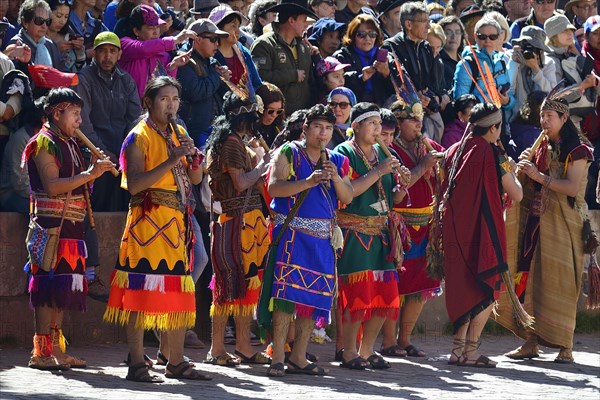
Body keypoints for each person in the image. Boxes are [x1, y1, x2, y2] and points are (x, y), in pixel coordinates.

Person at [104, 76, 206, 382]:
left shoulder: (180, 132)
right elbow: (134, 185)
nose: (171, 105)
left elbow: (196, 180)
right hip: (146, 224)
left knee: (177, 291)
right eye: (164, 99)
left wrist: (194, 159)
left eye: (175, 99)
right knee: (138, 291)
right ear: (148, 102)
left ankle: (174, 360)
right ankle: (136, 362)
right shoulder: (137, 137)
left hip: (176, 224)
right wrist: (172, 159)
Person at [496, 91, 593, 364]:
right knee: (527, 278)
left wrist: (538, 175)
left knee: (560, 282)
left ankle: (566, 347)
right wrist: (522, 172)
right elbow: (531, 184)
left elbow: (572, 188)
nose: (544, 121)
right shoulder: (541, 146)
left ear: (564, 117)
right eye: (541, 116)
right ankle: (530, 341)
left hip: (564, 226)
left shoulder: (578, 150)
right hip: (536, 223)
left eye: (550, 116)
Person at [24, 88, 115, 370]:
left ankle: (58, 351)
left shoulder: (72, 143)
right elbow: (52, 185)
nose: (79, 121)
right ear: (56, 113)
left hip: (72, 228)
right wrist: (89, 173)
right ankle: (40, 353)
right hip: (51, 226)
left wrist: (94, 170)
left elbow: (78, 185)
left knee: (62, 290)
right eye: (74, 114)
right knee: (47, 289)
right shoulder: (43, 143)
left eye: (80, 114)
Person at [261, 103, 353, 377]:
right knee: (285, 297)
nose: (323, 133)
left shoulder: (337, 160)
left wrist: (335, 178)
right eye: (317, 127)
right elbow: (274, 187)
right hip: (292, 235)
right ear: (306, 128)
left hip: (323, 238)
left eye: (328, 128)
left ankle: (299, 356)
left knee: (312, 298)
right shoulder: (289, 152)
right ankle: (278, 355)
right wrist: (309, 181)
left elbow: (347, 197)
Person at [441, 103, 523, 368]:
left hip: (454, 230)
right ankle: (472, 351)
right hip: (482, 231)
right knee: (488, 286)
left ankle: (456, 350)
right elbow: (517, 193)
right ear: (494, 128)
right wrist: (511, 167)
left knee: (463, 286)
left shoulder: (454, 149)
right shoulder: (492, 154)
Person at [333, 102, 411, 370]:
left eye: (380, 124)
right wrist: (379, 171)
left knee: (385, 295)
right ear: (355, 126)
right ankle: (349, 350)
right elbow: (348, 191)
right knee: (358, 293)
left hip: (381, 233)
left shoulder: (382, 152)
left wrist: (402, 184)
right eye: (372, 124)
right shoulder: (343, 152)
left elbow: (394, 197)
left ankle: (367, 350)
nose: (379, 129)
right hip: (355, 232)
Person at [205, 91, 271, 367]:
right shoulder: (231, 143)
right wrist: (264, 166)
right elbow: (241, 183)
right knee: (227, 286)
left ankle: (242, 345)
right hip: (238, 222)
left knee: (243, 285)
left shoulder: (235, 142)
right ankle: (217, 348)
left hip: (249, 221)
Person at [380, 97, 443, 359]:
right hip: (398, 226)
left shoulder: (427, 146)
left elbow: (447, 162)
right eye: (412, 119)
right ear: (398, 122)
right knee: (394, 283)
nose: (419, 124)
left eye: (420, 119)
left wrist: (438, 164)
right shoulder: (387, 149)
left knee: (421, 284)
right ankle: (387, 340)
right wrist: (423, 166)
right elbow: (399, 184)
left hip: (424, 225)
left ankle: (405, 339)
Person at [75, 31, 141, 212]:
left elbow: (134, 120)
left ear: (119, 54)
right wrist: (102, 152)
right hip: (92, 151)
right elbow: (82, 121)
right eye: (102, 51)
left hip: (122, 152)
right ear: (94, 53)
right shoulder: (84, 78)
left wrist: (126, 152)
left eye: (112, 51)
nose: (107, 56)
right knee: (98, 204)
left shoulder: (126, 80)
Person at [384, 2, 449, 143]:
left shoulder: (426, 47)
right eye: (424, 21)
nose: (428, 26)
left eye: (429, 21)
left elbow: (432, 83)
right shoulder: (391, 46)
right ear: (408, 24)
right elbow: (395, 81)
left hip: (424, 109)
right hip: (401, 112)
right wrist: (414, 97)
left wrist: (430, 97)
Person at [251, 0, 316, 114]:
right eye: (304, 20)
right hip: (276, 118)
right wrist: (292, 75)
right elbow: (259, 78)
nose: (307, 25)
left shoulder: (303, 47)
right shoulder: (263, 45)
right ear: (291, 20)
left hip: (303, 117)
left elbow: (310, 82)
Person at [119, 4, 196, 99]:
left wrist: (172, 67)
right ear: (136, 31)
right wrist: (175, 40)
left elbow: (165, 89)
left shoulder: (163, 55)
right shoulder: (125, 44)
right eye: (150, 28)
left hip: (154, 111)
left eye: (157, 27)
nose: (156, 32)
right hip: (130, 111)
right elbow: (143, 48)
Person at [177, 18, 230, 147]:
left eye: (218, 40)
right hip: (196, 131)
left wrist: (225, 79)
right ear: (198, 40)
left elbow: (221, 93)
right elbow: (195, 92)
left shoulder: (211, 61)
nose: (217, 44)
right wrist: (217, 76)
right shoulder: (184, 61)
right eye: (212, 39)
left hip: (215, 128)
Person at [333, 14, 393, 106]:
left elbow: (400, 88)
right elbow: (336, 86)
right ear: (353, 36)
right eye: (361, 35)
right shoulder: (341, 57)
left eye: (372, 34)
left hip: (382, 107)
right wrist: (361, 78)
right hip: (352, 107)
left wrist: (387, 74)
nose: (367, 38)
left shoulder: (386, 57)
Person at [508, 26, 557, 121]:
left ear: (541, 50)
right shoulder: (514, 59)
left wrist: (536, 70)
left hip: (541, 119)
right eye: (526, 47)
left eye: (535, 48)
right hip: (516, 118)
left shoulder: (548, 63)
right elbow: (509, 90)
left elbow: (551, 93)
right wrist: (514, 63)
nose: (531, 52)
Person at [8, 0, 67, 78]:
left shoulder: (50, 45)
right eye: (39, 21)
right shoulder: (16, 44)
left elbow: (64, 71)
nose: (44, 26)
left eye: (47, 21)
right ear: (25, 22)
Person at [46, 0, 86, 72]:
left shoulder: (70, 38)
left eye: (66, 17)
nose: (62, 21)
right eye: (58, 16)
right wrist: (55, 49)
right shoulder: (39, 36)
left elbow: (81, 69)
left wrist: (79, 51)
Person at [256, 82, 285, 147]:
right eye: (271, 111)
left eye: (279, 111)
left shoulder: (281, 128)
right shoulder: (250, 128)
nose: (274, 115)